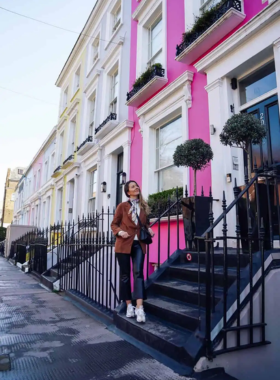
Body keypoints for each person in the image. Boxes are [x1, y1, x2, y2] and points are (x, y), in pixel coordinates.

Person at [111, 180, 154, 323]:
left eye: (137, 186)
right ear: (128, 192)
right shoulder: (122, 206)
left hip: (139, 244)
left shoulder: (143, 206)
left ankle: (139, 307)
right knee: (125, 276)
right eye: (133, 186)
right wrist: (119, 232)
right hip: (123, 244)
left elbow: (145, 223)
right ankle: (129, 305)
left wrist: (149, 229)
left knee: (138, 274)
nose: (136, 188)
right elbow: (114, 224)